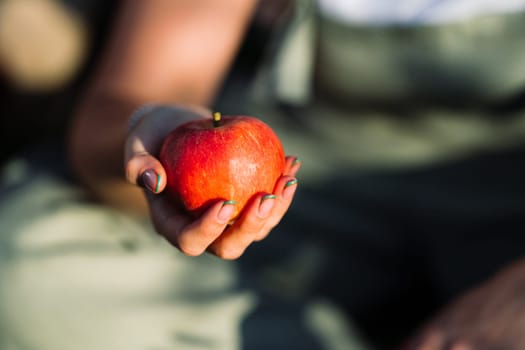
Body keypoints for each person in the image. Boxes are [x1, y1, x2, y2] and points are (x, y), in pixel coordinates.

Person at [2, 0, 525, 349]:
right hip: (306, 190)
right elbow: (129, 98)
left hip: (508, 205)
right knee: (22, 265)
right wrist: (151, 138)